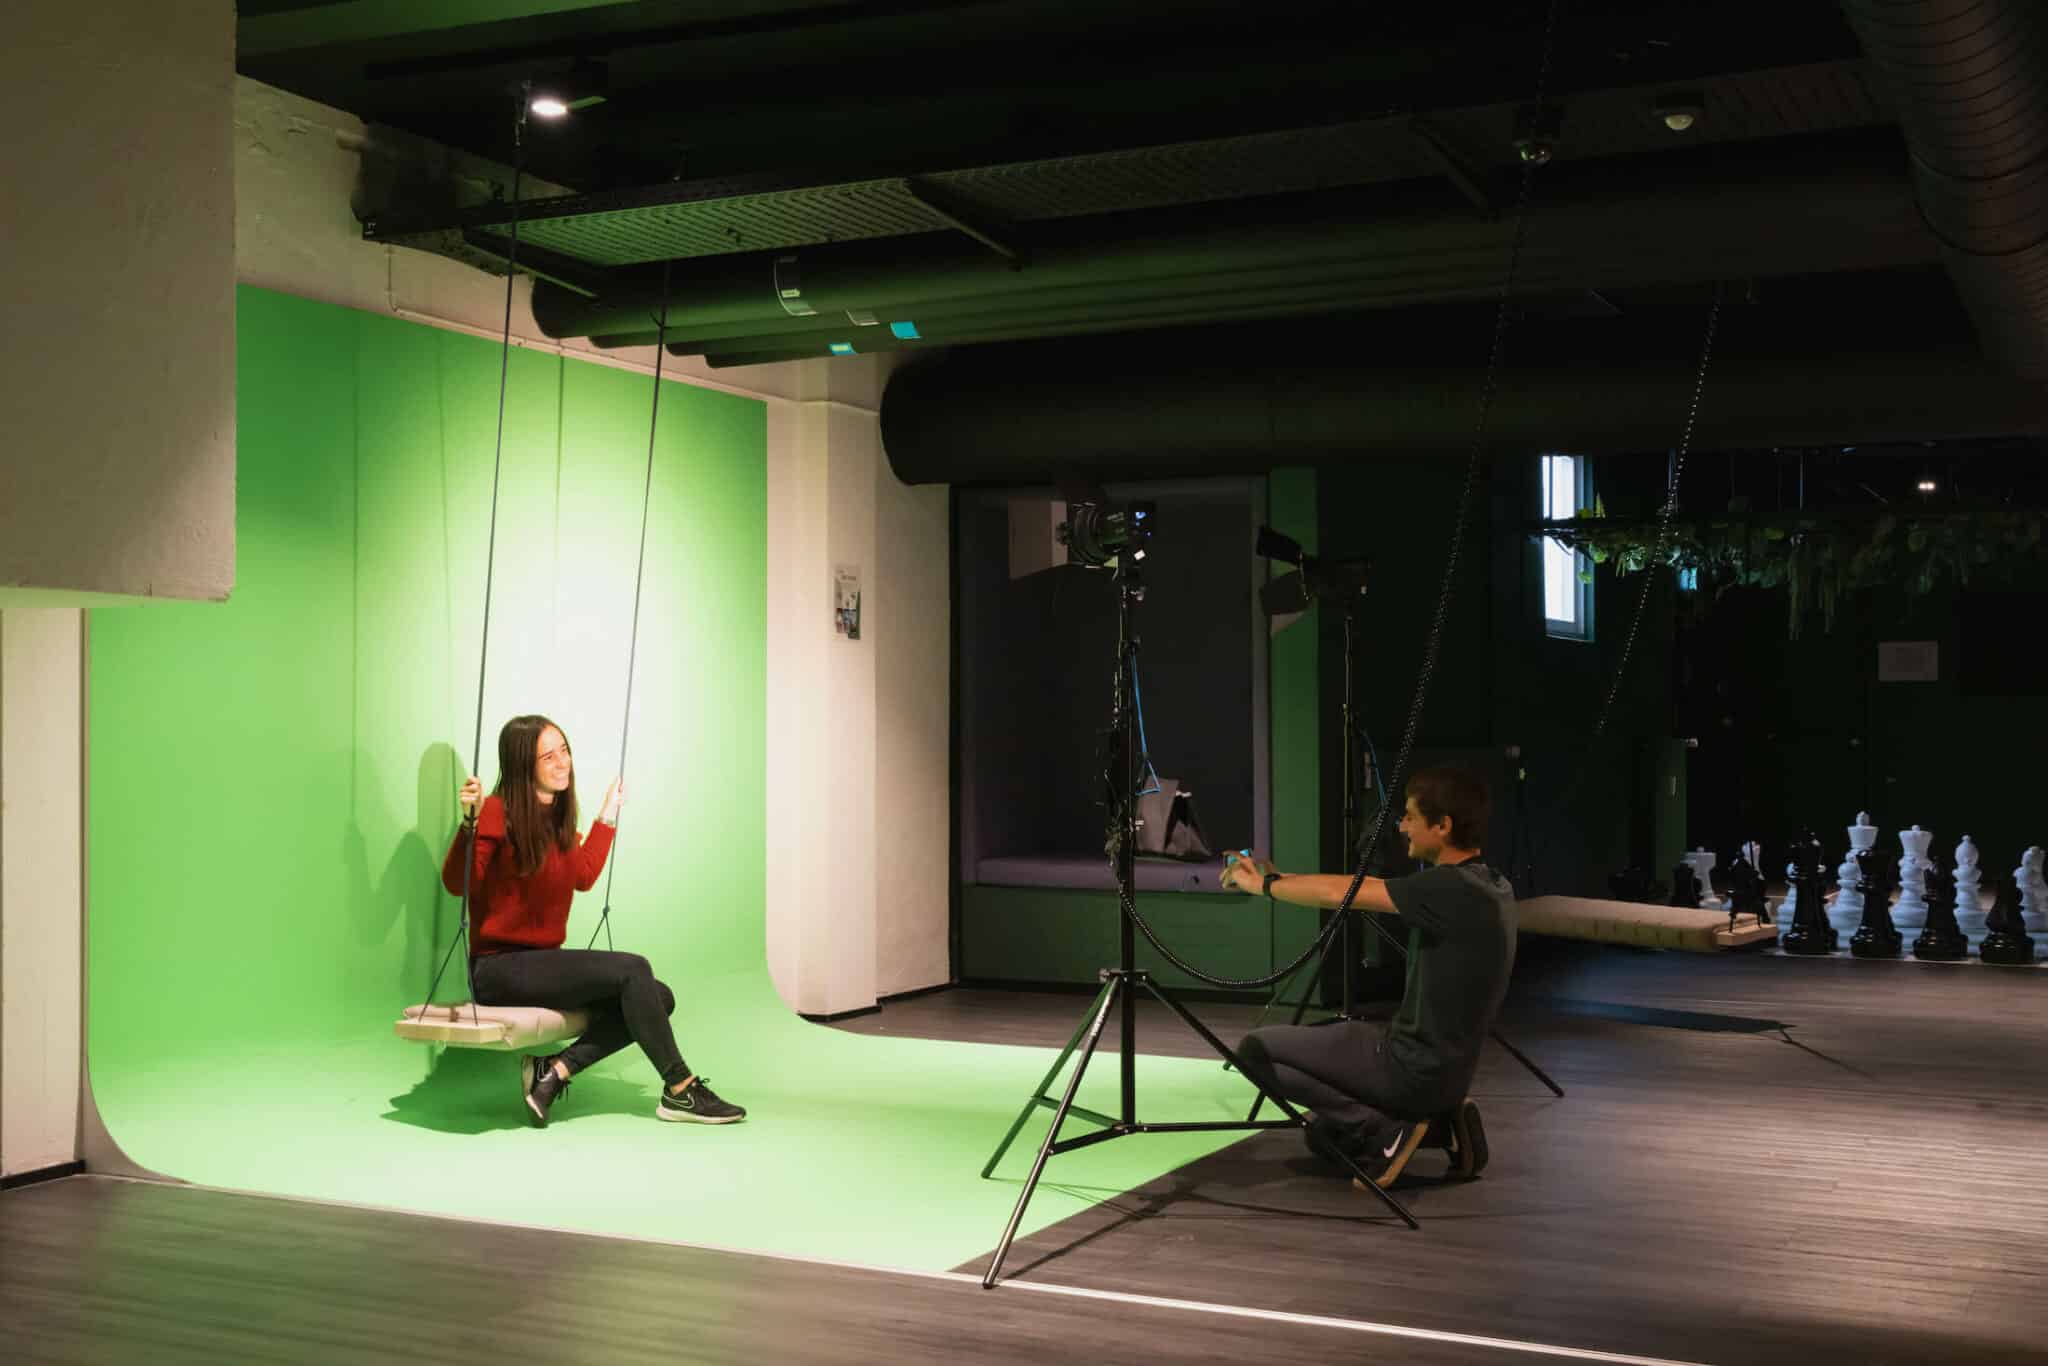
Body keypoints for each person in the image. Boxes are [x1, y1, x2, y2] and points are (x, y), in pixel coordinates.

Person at [443, 713, 745, 1128]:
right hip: (499, 968)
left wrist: (606, 817)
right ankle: (680, 1088)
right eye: (546, 756)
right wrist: (470, 823)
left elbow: (582, 876)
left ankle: (555, 1072)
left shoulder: (556, 819)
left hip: (540, 964)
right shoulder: (496, 811)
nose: (561, 762)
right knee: (633, 969)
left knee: (659, 996)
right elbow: (457, 883)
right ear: (521, 765)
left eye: (563, 750)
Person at [1221, 765, 1513, 1190]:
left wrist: (1264, 887)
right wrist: (1279, 877)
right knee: (1322, 1135)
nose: (1402, 826)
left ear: (1443, 825)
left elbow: (1347, 891)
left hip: (1406, 1065)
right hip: (1448, 1074)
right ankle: (1439, 1125)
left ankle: (1384, 1131)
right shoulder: (1492, 885)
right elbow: (1357, 885)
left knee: (1255, 1052)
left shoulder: (1448, 889)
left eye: (1411, 816)